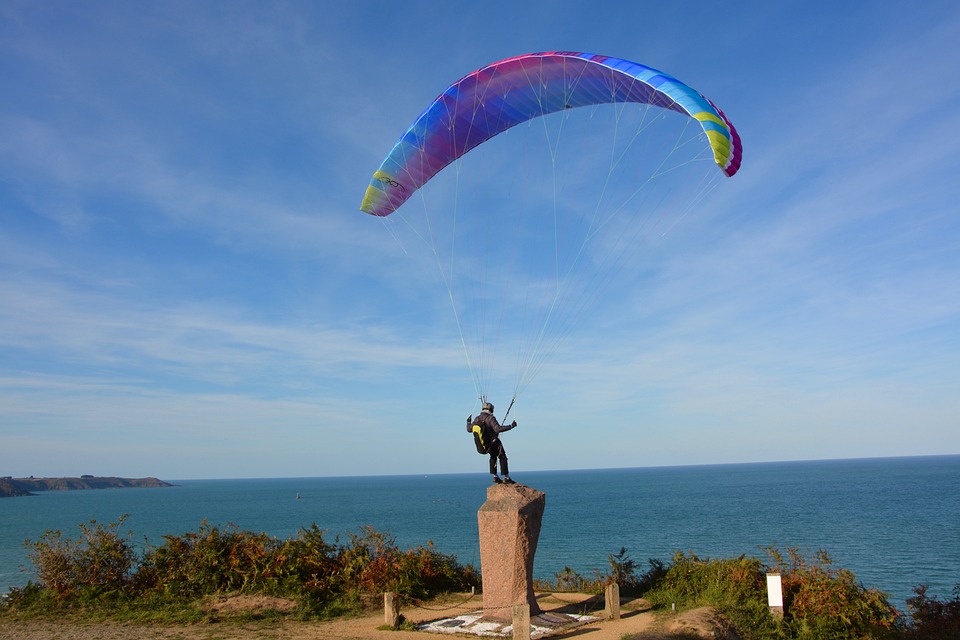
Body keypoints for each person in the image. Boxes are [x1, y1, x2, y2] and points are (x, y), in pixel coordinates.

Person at [467, 401, 517, 484]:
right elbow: (498, 429)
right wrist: (511, 426)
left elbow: (469, 429)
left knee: (493, 457)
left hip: (487, 444)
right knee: (502, 457)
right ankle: (506, 477)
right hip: (494, 442)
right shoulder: (490, 418)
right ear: (490, 409)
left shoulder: (477, 419)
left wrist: (468, 422)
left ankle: (495, 476)